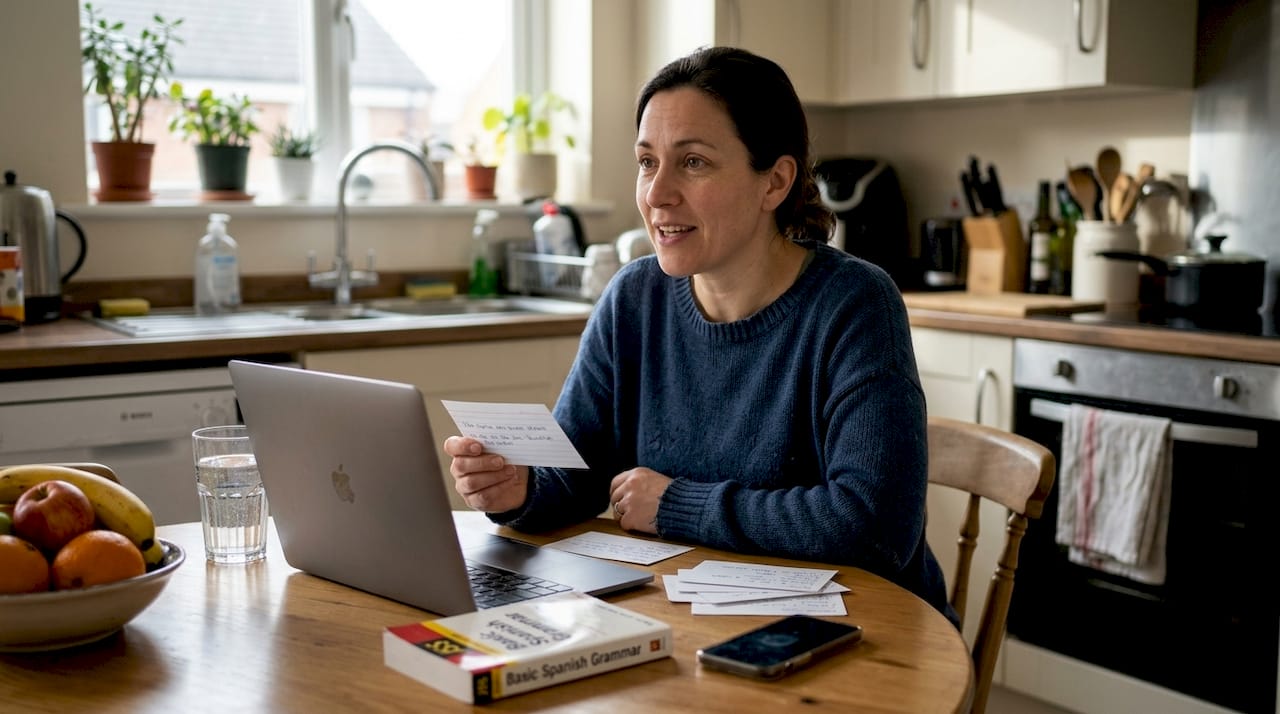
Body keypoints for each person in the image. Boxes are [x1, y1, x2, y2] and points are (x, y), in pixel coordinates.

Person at [445, 46, 956, 625]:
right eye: (646, 162)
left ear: (776, 182)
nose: (657, 193)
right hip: (695, 620)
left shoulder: (855, 304)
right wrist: (520, 487)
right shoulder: (634, 299)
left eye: (692, 162)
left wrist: (675, 506)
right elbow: (577, 471)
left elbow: (875, 527)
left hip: (862, 636)